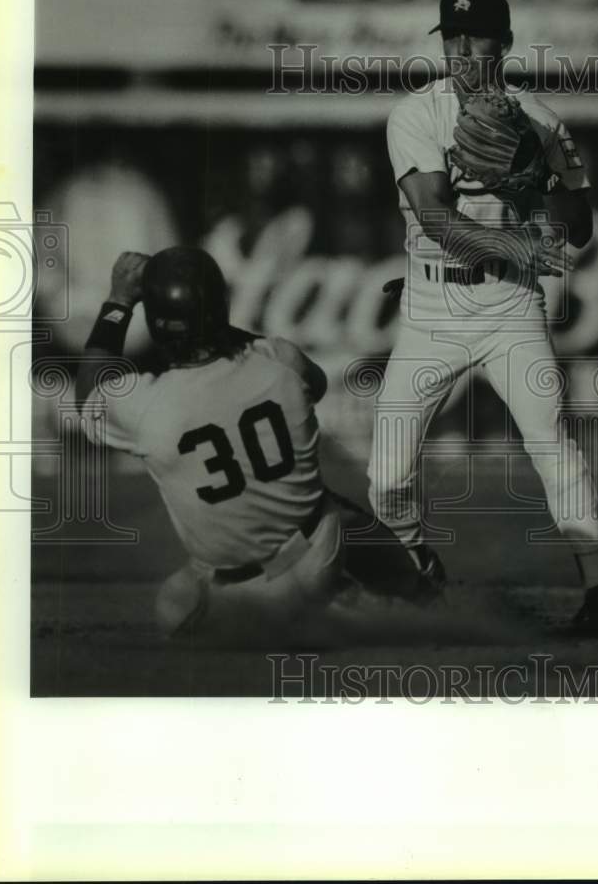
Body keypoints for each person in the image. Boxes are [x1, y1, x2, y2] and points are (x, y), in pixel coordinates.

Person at [368, 0, 598, 633]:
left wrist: (531, 180)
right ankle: (419, 566)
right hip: (433, 307)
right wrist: (521, 237)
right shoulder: (415, 114)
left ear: (505, 43)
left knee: (551, 439)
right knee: (385, 477)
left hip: (510, 306)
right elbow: (436, 219)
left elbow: (582, 225)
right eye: (451, 36)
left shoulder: (541, 120)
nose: (461, 48)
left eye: (476, 35)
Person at [75, 247, 434, 646]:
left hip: (241, 592)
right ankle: (407, 593)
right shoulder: (279, 358)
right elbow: (309, 383)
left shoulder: (144, 405)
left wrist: (119, 301)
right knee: (334, 510)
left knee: (174, 607)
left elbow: (89, 389)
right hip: (320, 551)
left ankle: (325, 613)